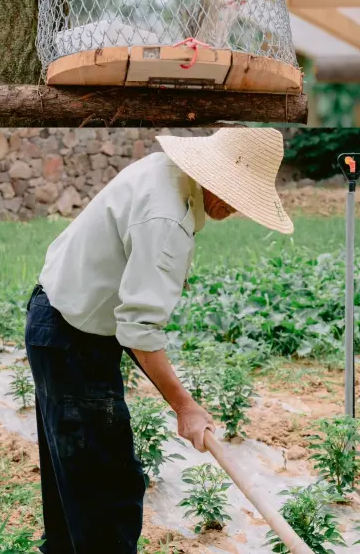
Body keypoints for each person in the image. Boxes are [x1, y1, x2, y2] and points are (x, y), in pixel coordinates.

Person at [25, 127, 294, 553]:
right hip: (71, 340)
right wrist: (186, 407)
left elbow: (133, 320)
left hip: (64, 323)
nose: (238, 211)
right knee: (107, 488)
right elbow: (139, 329)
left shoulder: (165, 172)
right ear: (219, 185)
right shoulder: (167, 216)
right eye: (240, 199)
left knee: (76, 486)